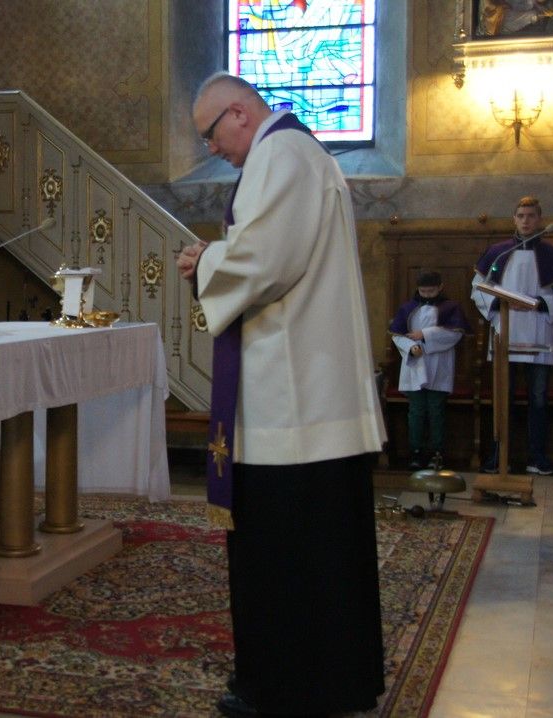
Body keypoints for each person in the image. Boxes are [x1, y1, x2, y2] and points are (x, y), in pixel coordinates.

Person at [176, 72, 387, 718]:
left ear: (240, 113)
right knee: (324, 557)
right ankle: (330, 682)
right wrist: (221, 257)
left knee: (284, 558)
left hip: (292, 408)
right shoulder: (297, 153)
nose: (213, 149)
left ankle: (283, 689)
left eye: (211, 134)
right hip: (307, 401)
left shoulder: (282, 154)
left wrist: (204, 263)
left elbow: (265, 262)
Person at [472, 196, 553, 475]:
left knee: (539, 398)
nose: (526, 220)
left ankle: (537, 457)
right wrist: (499, 302)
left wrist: (541, 303)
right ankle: (499, 457)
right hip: (504, 333)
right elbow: (478, 288)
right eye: (521, 215)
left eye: (531, 215)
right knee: (501, 399)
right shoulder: (498, 254)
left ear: (540, 219)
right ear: (514, 219)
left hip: (538, 335)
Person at [390, 270, 472, 470]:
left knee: (436, 410)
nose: (426, 294)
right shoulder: (408, 308)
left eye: (431, 291)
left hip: (439, 363)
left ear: (440, 287)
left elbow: (455, 334)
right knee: (416, 411)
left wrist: (424, 334)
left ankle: (437, 453)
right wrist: (411, 346)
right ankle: (415, 452)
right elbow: (397, 335)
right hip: (414, 364)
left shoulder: (450, 308)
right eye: (423, 291)